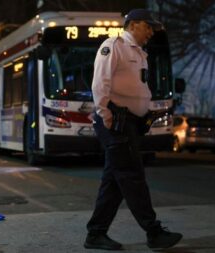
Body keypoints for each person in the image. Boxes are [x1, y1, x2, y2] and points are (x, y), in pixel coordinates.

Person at [84, 9, 182, 250]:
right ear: (134, 25)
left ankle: (95, 234)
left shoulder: (140, 53)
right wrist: (105, 114)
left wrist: (143, 113)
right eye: (148, 27)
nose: (151, 32)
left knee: (115, 182)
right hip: (115, 121)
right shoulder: (113, 46)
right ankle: (153, 231)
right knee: (132, 176)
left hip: (129, 123)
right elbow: (100, 82)